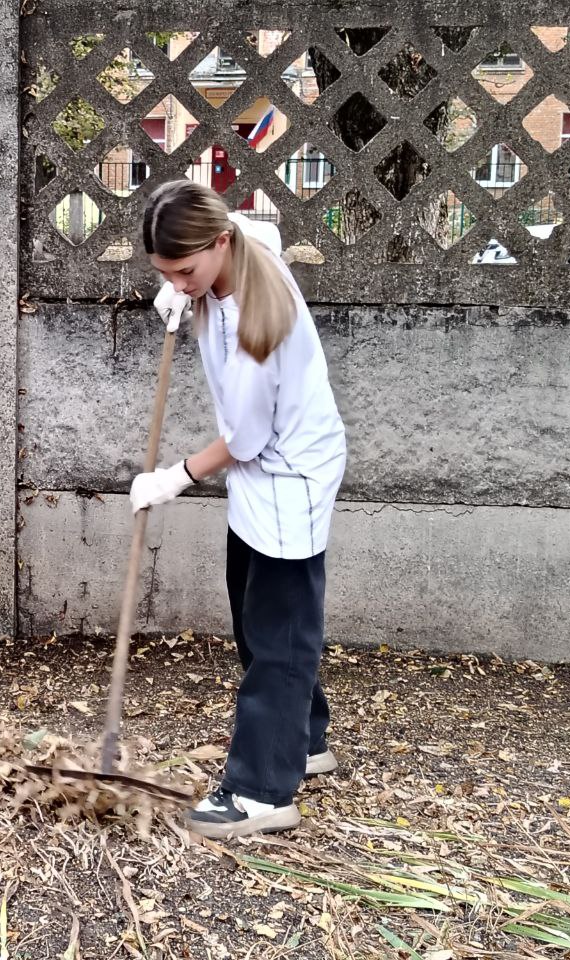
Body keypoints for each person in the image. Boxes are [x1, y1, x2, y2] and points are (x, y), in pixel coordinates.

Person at [130, 181, 346, 837]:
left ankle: (261, 791)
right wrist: (183, 287)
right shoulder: (243, 241)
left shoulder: (257, 321)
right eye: (165, 272)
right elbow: (262, 227)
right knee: (257, 618)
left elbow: (246, 439)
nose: (177, 282)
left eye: (184, 269)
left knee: (280, 637)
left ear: (219, 244)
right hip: (260, 476)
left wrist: (173, 478)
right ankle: (305, 742)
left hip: (287, 476)